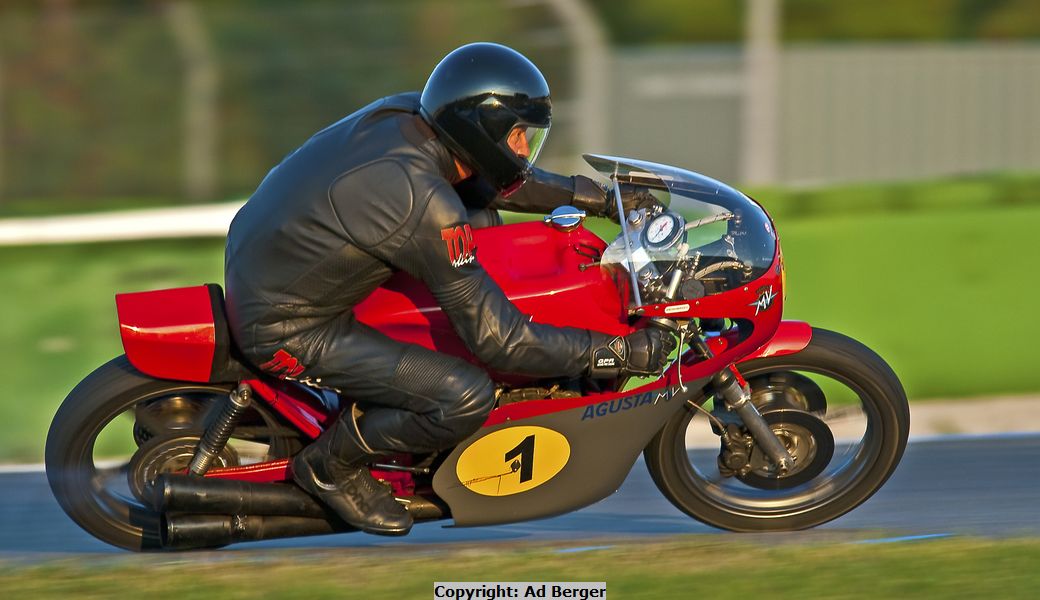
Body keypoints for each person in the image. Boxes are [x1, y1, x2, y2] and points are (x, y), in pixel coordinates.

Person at [224, 42, 675, 536]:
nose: (524, 149)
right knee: (464, 395)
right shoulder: (423, 201)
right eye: (518, 136)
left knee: (482, 217)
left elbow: (495, 177)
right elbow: (499, 342)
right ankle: (332, 467)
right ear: (478, 133)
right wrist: (614, 352)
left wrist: (598, 198)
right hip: (289, 325)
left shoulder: (412, 117)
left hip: (274, 258)